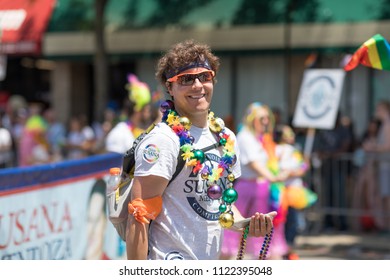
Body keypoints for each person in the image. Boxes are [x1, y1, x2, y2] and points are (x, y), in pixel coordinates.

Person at [125, 40, 276, 260]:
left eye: (204, 76)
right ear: (170, 87)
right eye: (186, 79)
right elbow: (138, 216)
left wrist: (245, 225)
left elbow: (220, 204)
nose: (197, 85)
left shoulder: (225, 137)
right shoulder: (162, 140)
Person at [221, 102, 288, 260]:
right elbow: (253, 163)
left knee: (264, 234)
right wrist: (273, 178)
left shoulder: (261, 138)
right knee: (235, 230)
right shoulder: (245, 136)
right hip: (248, 188)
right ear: (252, 119)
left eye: (267, 118)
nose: (265, 121)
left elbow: (268, 160)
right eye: (261, 118)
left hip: (262, 189)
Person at [363, 100, 390, 233]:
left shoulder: (387, 125)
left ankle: (387, 225)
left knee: (387, 197)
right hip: (383, 165)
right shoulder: (385, 125)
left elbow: (388, 146)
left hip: (386, 165)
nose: (376, 112)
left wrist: (372, 147)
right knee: (383, 196)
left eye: (379, 109)